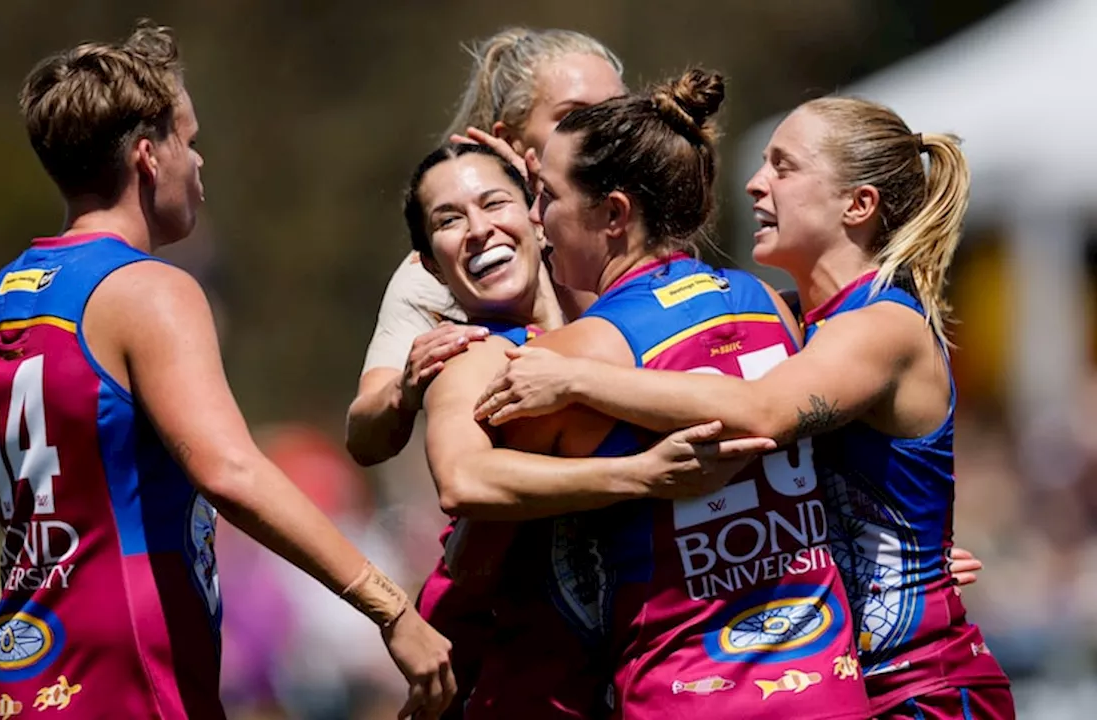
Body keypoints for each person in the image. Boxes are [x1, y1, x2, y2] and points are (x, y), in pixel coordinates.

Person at [0, 21, 454, 720]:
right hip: (134, 678)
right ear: (147, 157)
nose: (199, 165)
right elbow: (231, 473)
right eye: (189, 142)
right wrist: (389, 606)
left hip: (25, 680)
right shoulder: (150, 292)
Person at [474, 96, 1015, 718]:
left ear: (858, 205)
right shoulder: (800, 317)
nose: (757, 183)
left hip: (929, 689)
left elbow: (760, 413)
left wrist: (578, 380)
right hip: (865, 689)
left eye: (784, 167)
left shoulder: (880, 325)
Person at [402, 140, 777, 717]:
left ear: (537, 218)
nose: (479, 230)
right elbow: (462, 493)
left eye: (495, 203)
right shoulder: (471, 358)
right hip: (531, 690)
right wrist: (639, 474)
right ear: (430, 264)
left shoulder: (618, 325)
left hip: (653, 674)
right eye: (449, 220)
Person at [346, 27, 625, 467]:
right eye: (575, 116)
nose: (609, 134)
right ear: (510, 140)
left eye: (619, 113)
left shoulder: (634, 226)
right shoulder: (440, 268)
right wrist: (403, 390)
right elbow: (364, 439)